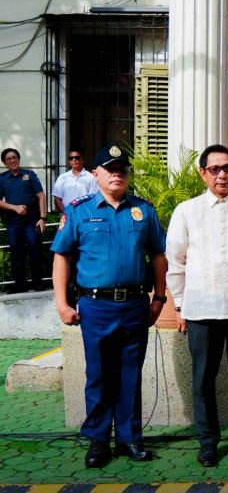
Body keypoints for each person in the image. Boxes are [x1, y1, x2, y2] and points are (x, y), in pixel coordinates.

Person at [50, 144, 168, 468]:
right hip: (96, 306)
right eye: (110, 168)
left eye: (122, 169)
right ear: (96, 174)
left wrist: (159, 298)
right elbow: (62, 257)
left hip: (134, 304)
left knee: (130, 374)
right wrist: (61, 303)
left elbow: (158, 255)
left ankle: (129, 439)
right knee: (99, 374)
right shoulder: (78, 210)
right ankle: (99, 440)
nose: (117, 174)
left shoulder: (143, 210)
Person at [166, 144, 228, 467]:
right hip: (201, 310)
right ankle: (208, 442)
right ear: (203, 173)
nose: (221, 175)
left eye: (227, 168)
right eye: (214, 169)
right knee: (203, 379)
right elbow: (176, 262)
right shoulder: (187, 211)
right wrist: (180, 306)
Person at [1, 148, 47, 293]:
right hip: (13, 220)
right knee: (16, 252)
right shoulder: (2, 178)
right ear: (5, 163)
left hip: (32, 218)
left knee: (34, 249)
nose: (12, 160)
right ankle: (20, 285)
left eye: (14, 157)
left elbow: (41, 196)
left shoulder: (30, 175)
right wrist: (15, 208)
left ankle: (37, 283)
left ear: (19, 159)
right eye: (8, 159)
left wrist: (43, 218)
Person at [53, 148, 98, 214]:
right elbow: (57, 199)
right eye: (71, 158)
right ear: (69, 161)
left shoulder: (91, 177)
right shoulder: (62, 177)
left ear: (83, 160)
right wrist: (66, 213)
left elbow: (93, 198)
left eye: (77, 158)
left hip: (84, 215)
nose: (74, 160)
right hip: (66, 215)